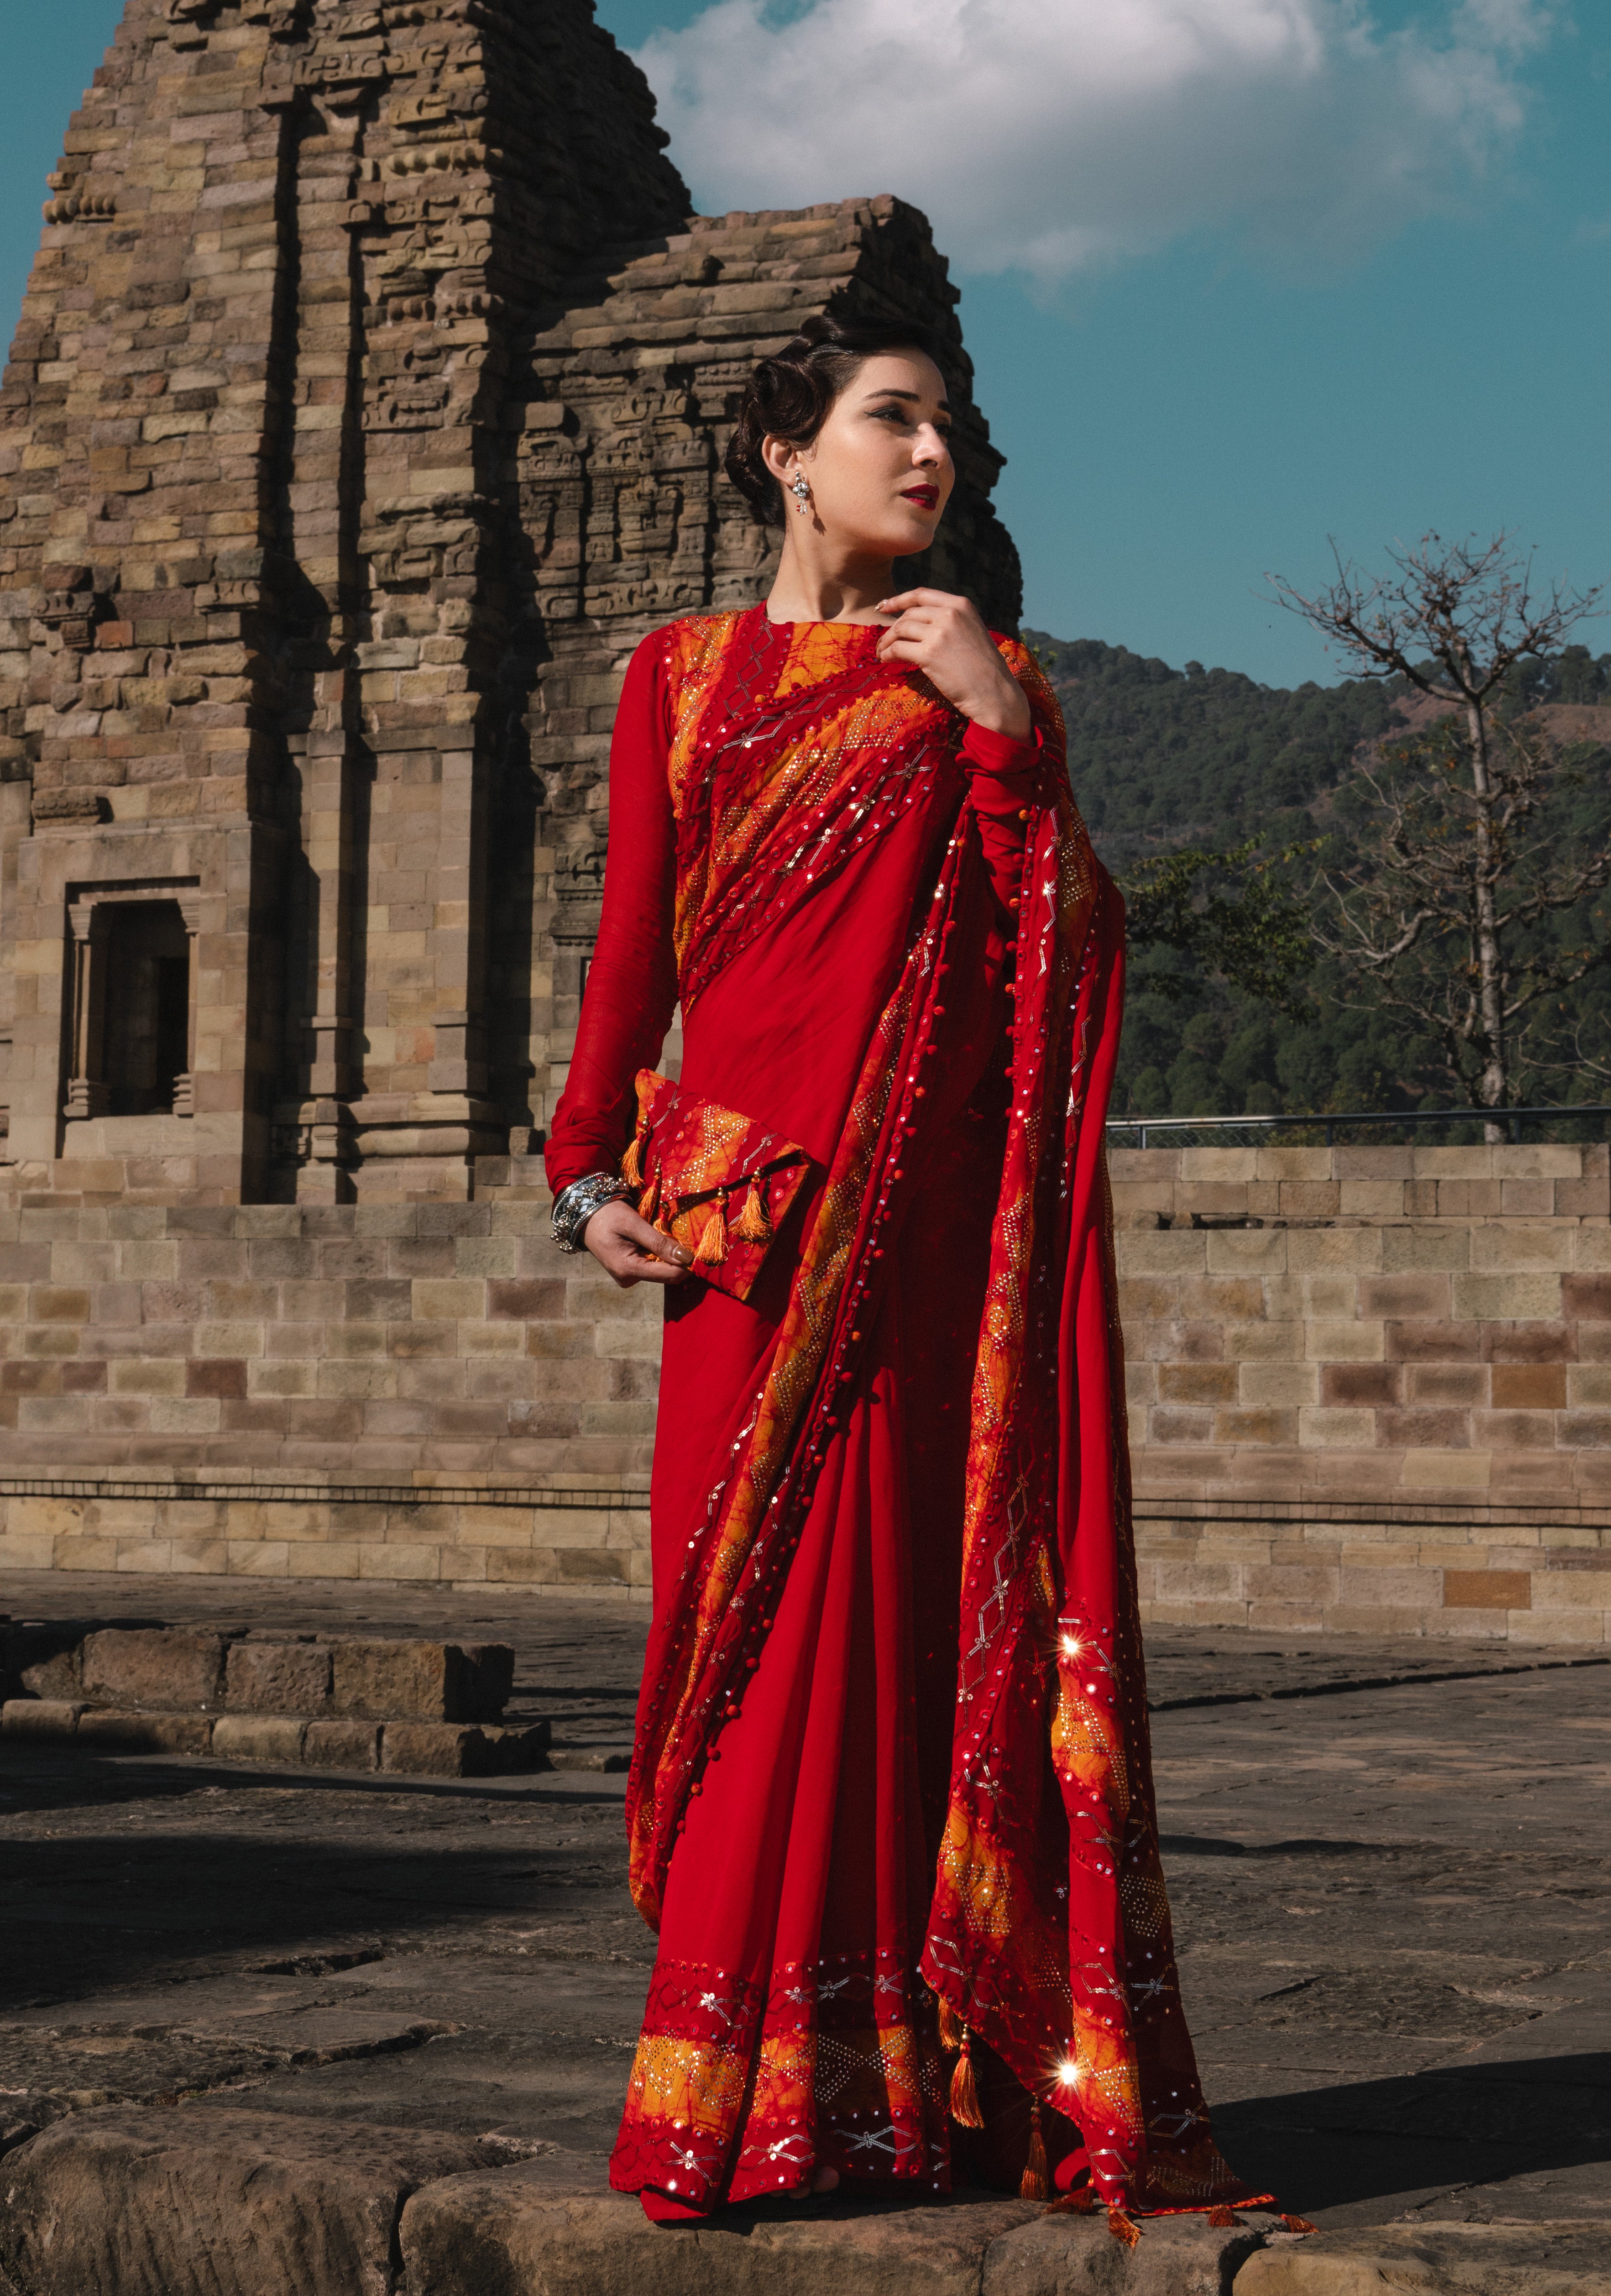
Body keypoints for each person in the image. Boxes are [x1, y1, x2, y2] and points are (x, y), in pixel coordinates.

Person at [544, 314, 1295, 2240]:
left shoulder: (984, 674)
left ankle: (920, 2087)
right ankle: (742, 2090)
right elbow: (640, 952)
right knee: (744, 1650)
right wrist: (574, 1172)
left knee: (903, 1640)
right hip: (748, 1244)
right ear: (784, 453)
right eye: (893, 420)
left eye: (950, 428)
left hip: (934, 1258)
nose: (935, 454)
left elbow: (1067, 956)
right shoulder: (678, 677)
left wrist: (1000, 731)